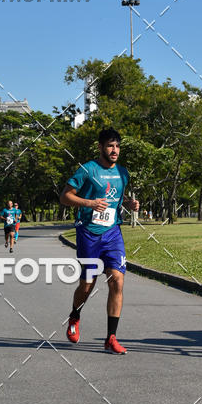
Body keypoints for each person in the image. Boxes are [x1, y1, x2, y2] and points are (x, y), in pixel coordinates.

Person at [60, 128, 139, 355]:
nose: (114, 150)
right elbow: (65, 196)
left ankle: (111, 338)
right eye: (110, 146)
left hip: (113, 232)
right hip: (89, 233)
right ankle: (75, 315)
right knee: (88, 284)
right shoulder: (88, 169)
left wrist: (129, 204)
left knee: (117, 281)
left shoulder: (123, 172)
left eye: (117, 146)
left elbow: (116, 199)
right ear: (100, 147)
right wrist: (89, 203)